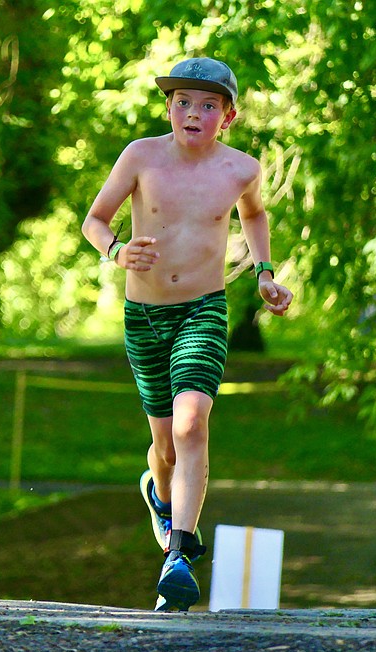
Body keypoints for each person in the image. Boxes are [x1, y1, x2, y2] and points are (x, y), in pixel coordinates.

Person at [82, 56, 293, 612]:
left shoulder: (241, 170)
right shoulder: (141, 156)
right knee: (165, 448)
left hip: (203, 310)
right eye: (182, 102)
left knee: (192, 422)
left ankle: (178, 555)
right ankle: (159, 493)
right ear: (169, 108)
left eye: (207, 105)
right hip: (144, 317)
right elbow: (94, 220)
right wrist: (116, 251)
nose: (193, 113)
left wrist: (265, 273)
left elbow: (254, 216)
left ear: (228, 116)